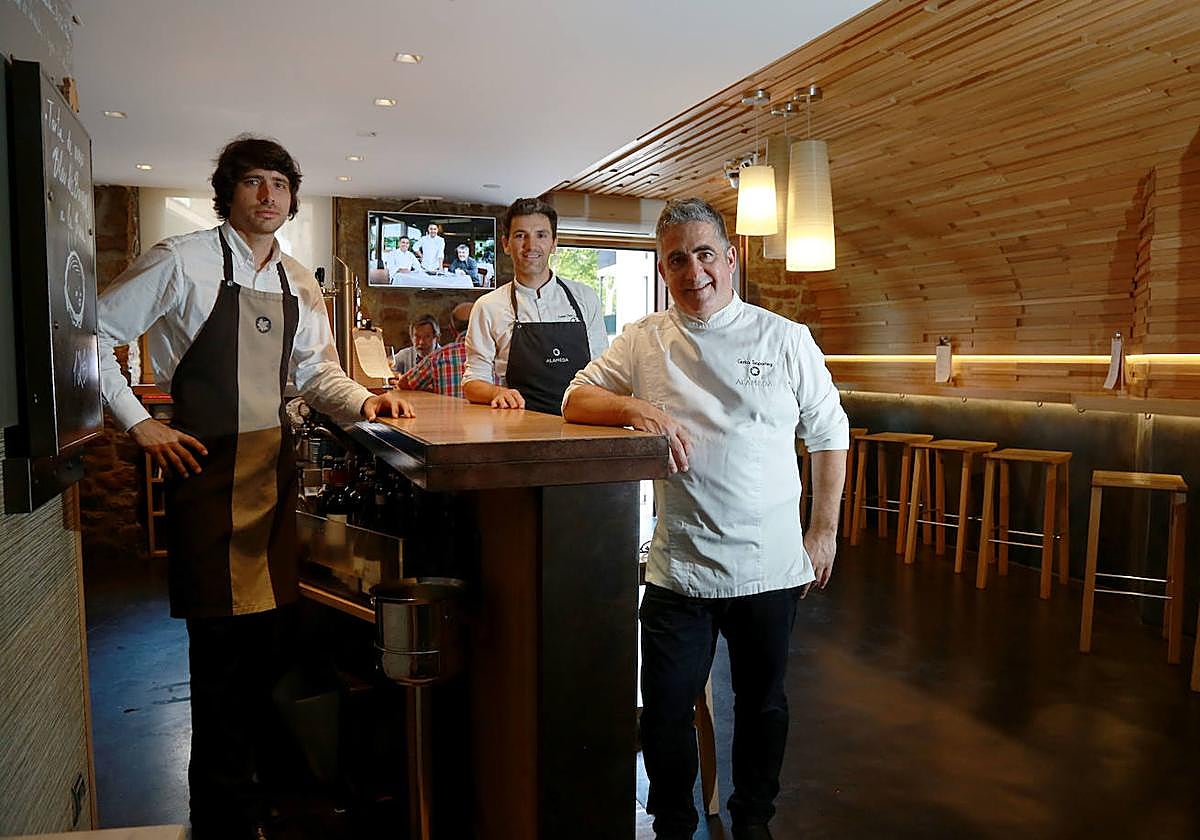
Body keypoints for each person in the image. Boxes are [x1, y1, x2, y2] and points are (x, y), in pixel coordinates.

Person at [96, 135, 416, 839]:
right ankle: (221, 820)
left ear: (292, 197)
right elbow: (91, 334)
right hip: (206, 481)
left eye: (279, 183)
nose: (267, 195)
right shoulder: (182, 260)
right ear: (229, 193)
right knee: (219, 667)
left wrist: (365, 402)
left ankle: (272, 803)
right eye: (253, 183)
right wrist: (136, 423)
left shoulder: (300, 280)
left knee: (273, 651)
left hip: (274, 485)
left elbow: (316, 376)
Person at [562, 198, 848, 840]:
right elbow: (574, 397)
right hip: (679, 568)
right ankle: (672, 826)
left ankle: (753, 823)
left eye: (704, 254)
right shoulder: (643, 339)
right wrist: (637, 408)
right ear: (663, 270)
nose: (694, 272)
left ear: (730, 258)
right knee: (663, 712)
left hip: (769, 563)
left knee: (763, 704)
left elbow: (830, 432)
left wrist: (823, 531)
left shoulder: (783, 338)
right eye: (677, 260)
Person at [462, 197, 608, 414]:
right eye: (521, 236)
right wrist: (496, 393)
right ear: (506, 244)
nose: (531, 246)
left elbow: (602, 371)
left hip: (584, 424)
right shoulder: (488, 307)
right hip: (521, 431)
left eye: (541, 235)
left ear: (554, 243)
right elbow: (473, 381)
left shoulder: (585, 297)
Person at [391, 302, 473, 398]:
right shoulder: (492, 354)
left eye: (427, 336)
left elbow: (403, 384)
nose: (421, 342)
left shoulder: (438, 357)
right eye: (417, 337)